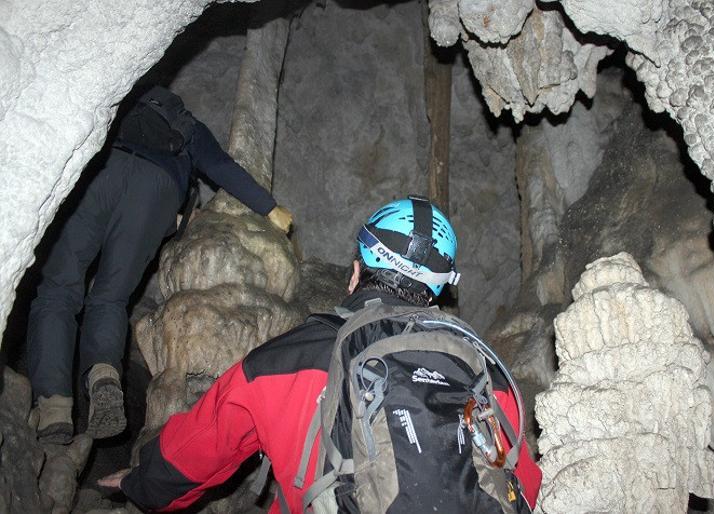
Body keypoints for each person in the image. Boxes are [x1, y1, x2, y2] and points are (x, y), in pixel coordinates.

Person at [99, 196, 542, 513]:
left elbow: (199, 446)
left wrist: (142, 483)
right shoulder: (478, 370)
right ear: (438, 292)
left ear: (355, 274)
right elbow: (523, 481)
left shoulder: (287, 358)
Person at [27, 86, 293, 444]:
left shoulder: (120, 102)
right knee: (110, 298)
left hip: (101, 173)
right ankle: (104, 373)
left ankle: (54, 408)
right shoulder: (190, 128)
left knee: (58, 291)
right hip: (157, 191)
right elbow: (220, 167)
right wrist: (270, 208)